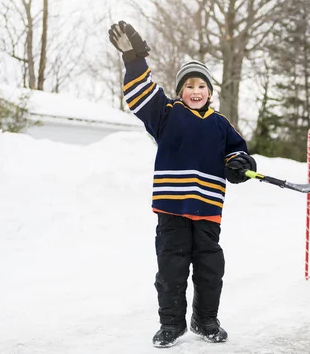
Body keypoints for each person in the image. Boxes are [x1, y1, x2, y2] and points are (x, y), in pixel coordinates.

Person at [108, 21, 256, 347]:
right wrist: (134, 59)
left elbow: (238, 152)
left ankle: (205, 321)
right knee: (172, 270)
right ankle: (171, 325)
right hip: (172, 210)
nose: (195, 91)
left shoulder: (220, 124)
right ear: (180, 91)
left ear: (210, 92)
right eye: (189, 86)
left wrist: (241, 164)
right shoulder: (167, 114)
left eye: (201, 86)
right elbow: (140, 93)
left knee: (209, 269)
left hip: (207, 211)